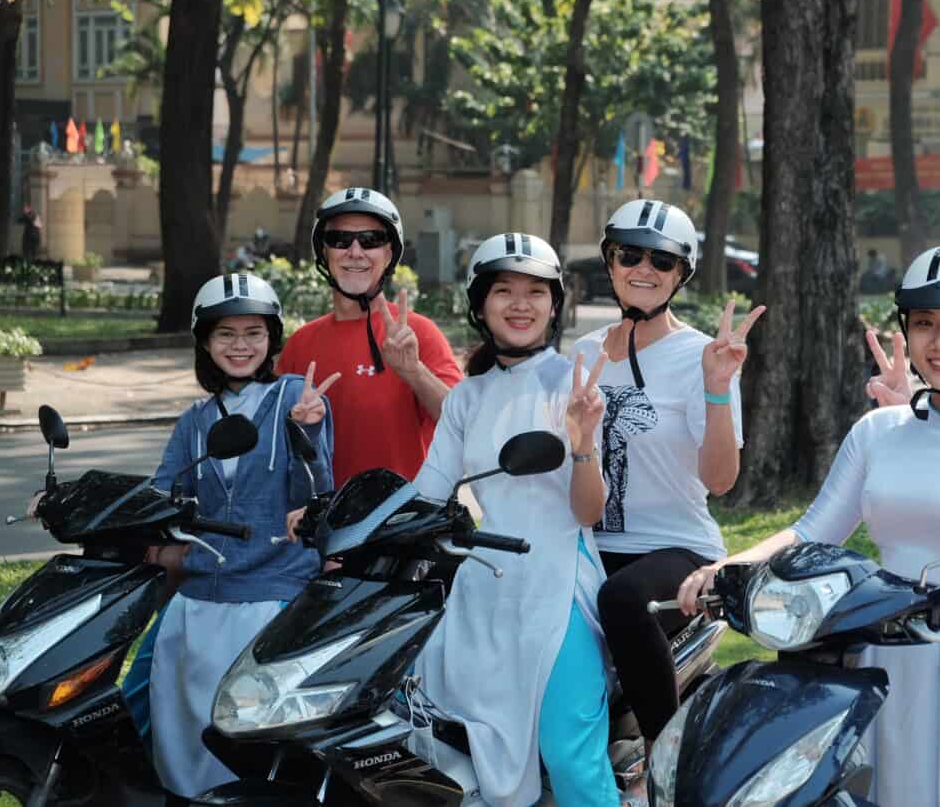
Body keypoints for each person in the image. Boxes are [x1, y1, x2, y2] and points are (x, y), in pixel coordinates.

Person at [680, 245, 940, 807]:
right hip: (890, 654)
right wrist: (730, 565)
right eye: (925, 324)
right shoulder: (878, 431)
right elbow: (814, 530)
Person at [410, 232, 617, 806]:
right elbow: (427, 495)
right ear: (480, 305)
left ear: (556, 305)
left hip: (556, 589)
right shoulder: (466, 398)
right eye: (504, 291)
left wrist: (582, 442)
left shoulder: (572, 383)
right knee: (450, 754)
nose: (520, 304)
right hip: (480, 591)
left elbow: (588, 511)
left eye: (535, 292)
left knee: (570, 757)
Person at [567, 199, 765, 789]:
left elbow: (721, 480)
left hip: (675, 546)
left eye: (662, 260)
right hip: (591, 540)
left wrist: (715, 389)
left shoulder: (702, 355)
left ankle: (672, 760)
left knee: (623, 600)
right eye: (630, 254)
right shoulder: (581, 355)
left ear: (682, 274)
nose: (644, 269)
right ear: (610, 261)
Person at [142, 272, 336, 798]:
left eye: (254, 332)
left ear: (273, 338)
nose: (241, 345)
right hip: (201, 593)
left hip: (271, 593)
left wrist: (309, 430)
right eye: (226, 333)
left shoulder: (298, 398)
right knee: (182, 732)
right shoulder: (195, 420)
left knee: (251, 740)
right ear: (205, 342)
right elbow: (161, 494)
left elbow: (315, 495)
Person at [277, 187, 462, 486]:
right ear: (324, 252)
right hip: (322, 521)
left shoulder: (419, 333)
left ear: (389, 254)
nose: (355, 251)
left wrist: (414, 372)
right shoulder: (302, 342)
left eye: (371, 240)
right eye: (339, 240)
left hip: (402, 522)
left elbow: (461, 424)